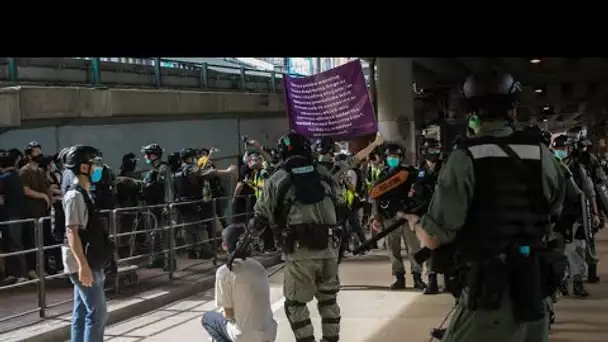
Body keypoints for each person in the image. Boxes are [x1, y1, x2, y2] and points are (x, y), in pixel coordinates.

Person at [405, 70, 566, 342]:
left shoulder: (464, 157)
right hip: (534, 291)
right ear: (513, 110)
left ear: (471, 114)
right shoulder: (542, 154)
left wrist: (416, 224)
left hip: (490, 294)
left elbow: (434, 238)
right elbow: (557, 208)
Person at [227, 131, 383, 342]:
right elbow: (341, 208)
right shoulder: (324, 174)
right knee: (328, 300)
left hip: (299, 251)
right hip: (329, 248)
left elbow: (259, 219)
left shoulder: (277, 179)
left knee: (295, 304)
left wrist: (240, 249)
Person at [62, 145, 113, 342]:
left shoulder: (84, 193)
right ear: (83, 168)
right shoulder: (75, 196)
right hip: (83, 261)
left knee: (82, 313)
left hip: (88, 258)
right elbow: (71, 232)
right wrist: (83, 266)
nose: (97, 169)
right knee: (98, 314)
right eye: (94, 165)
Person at [201, 224, 277, 342]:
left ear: (225, 246)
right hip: (269, 333)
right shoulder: (259, 266)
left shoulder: (224, 272)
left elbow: (229, 315)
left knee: (207, 319)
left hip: (244, 337)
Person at [370, 143, 426, 290]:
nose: (392, 159)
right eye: (390, 156)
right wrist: (376, 216)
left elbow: (419, 191)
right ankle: (399, 277)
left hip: (408, 216)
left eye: (395, 156)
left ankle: (417, 276)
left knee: (413, 247)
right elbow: (376, 197)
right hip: (389, 216)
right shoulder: (383, 175)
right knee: (393, 248)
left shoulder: (410, 173)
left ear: (401, 157)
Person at [551, 135, 595, 298]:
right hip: (560, 216)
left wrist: (594, 213)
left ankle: (576, 281)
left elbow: (587, 193)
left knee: (577, 248)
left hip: (573, 215)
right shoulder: (556, 165)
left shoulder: (575, 168)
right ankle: (564, 281)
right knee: (563, 250)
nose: (561, 151)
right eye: (559, 149)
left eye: (564, 148)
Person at [416, 138, 444, 294]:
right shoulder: (418, 171)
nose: (434, 153)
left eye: (436, 149)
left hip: (443, 213)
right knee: (427, 247)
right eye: (430, 150)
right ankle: (431, 280)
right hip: (425, 214)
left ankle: (446, 279)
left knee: (444, 246)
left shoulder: (445, 168)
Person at [19, 141, 51, 280]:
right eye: (35, 152)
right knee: (32, 241)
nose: (38, 154)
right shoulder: (24, 171)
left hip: (43, 212)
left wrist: (49, 198)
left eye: (39, 151)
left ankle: (42, 267)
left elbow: (48, 187)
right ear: (29, 155)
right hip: (31, 212)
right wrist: (43, 196)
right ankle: (32, 269)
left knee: (42, 241)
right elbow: (26, 190)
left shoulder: (41, 171)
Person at [141, 143, 175, 270]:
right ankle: (157, 259)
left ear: (153, 155)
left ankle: (170, 262)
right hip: (153, 206)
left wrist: (168, 204)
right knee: (154, 235)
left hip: (162, 206)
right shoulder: (153, 170)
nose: (146, 157)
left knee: (165, 236)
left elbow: (168, 187)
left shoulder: (163, 168)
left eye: (147, 154)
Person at [174, 148, 212, 259]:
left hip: (182, 203)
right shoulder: (190, 168)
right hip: (194, 201)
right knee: (200, 227)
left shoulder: (177, 171)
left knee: (188, 228)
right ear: (189, 157)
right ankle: (205, 250)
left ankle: (191, 250)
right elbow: (199, 173)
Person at [0, 149, 27, 283]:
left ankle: (17, 273)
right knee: (15, 243)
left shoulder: (4, 179)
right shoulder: (18, 176)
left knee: (13, 244)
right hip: (18, 214)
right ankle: (17, 273)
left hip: (9, 215)